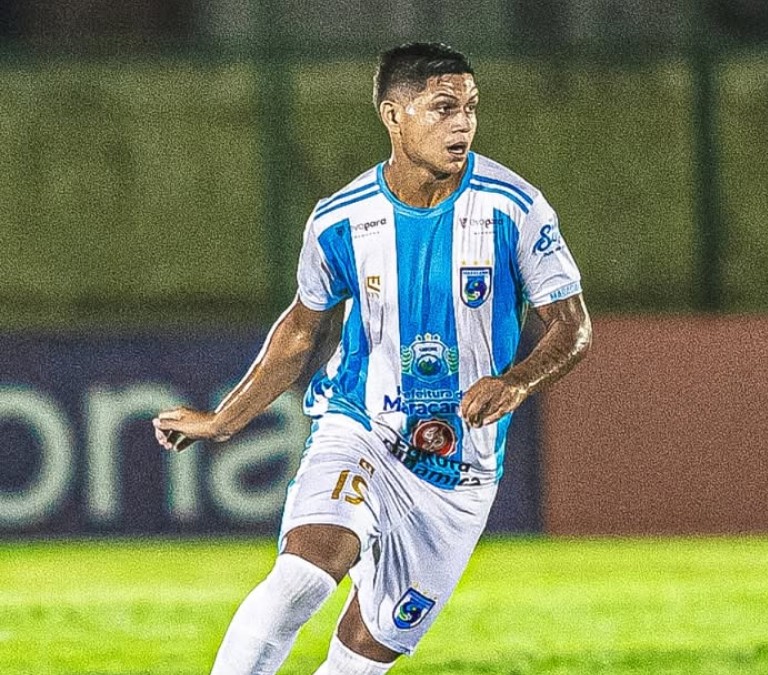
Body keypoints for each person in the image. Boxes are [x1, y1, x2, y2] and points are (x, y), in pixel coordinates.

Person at [153, 42, 592, 675]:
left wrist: (517, 380)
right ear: (393, 115)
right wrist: (224, 421)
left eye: (470, 107)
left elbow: (572, 327)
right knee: (303, 578)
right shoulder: (340, 219)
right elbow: (301, 331)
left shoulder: (515, 208)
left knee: (360, 661)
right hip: (362, 428)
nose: (462, 123)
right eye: (443, 108)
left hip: (461, 469)